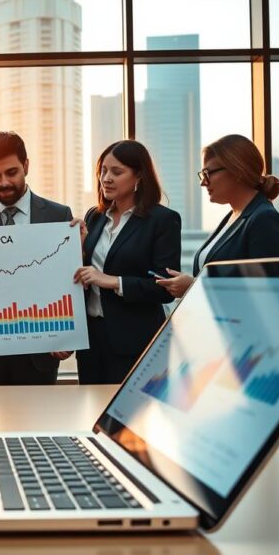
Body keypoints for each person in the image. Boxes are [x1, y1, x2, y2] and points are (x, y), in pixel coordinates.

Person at [0, 131, 77, 386]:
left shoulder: (58, 215)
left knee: (39, 425)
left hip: (40, 351)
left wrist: (68, 337)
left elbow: (69, 281)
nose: (4, 183)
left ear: (26, 166)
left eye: (11, 172)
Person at [74, 140, 182, 385]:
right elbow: (86, 274)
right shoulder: (95, 215)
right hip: (91, 342)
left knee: (133, 421)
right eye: (103, 170)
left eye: (117, 172)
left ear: (139, 176)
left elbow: (164, 289)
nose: (106, 178)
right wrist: (79, 248)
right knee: (90, 417)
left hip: (135, 343)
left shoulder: (163, 220)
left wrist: (114, 282)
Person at [156, 134, 279, 298]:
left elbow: (263, 292)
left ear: (237, 171)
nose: (203, 182)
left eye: (208, 173)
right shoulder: (233, 217)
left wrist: (194, 288)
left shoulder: (264, 219)